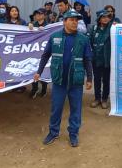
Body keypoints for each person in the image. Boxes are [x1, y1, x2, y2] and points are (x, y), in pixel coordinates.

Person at [34, 10, 93, 147]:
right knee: (56, 108)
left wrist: (89, 78)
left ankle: (73, 134)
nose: (74, 22)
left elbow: (88, 59)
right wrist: (39, 72)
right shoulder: (54, 37)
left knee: (76, 109)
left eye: (76, 20)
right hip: (59, 81)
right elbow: (45, 55)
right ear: (65, 21)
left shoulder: (83, 39)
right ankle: (53, 132)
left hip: (75, 81)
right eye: (71, 20)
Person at [89, 9, 112, 109]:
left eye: (107, 17)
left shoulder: (112, 28)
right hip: (96, 59)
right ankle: (97, 98)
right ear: (99, 19)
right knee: (97, 80)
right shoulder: (93, 29)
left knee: (106, 81)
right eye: (103, 17)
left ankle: (104, 99)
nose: (106, 19)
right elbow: (88, 43)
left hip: (107, 60)